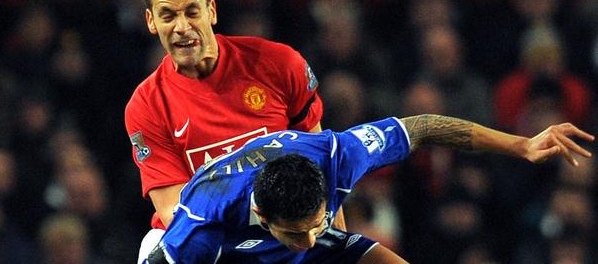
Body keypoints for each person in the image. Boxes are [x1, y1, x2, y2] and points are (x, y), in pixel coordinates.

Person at [142, 113, 593, 264]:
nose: (311, 239)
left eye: (316, 223)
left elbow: (423, 127)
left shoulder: (337, 155)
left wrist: (520, 144)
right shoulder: (201, 226)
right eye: (297, 233)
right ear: (263, 214)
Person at [125, 0, 329, 261]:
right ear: (151, 21)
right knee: (152, 248)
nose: (182, 27)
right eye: (168, 16)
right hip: (210, 240)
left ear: (212, 11)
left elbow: (322, 165)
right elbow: (175, 212)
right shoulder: (146, 105)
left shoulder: (279, 64)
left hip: (289, 226)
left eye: (192, 12)